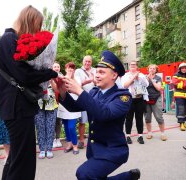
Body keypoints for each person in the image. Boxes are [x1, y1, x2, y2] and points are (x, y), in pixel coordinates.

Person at [55, 50, 140, 179]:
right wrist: (61, 90)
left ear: (114, 75)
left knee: (84, 174)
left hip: (113, 151)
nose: (97, 75)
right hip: (95, 149)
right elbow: (75, 107)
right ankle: (128, 177)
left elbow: (104, 114)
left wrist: (79, 90)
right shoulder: (95, 92)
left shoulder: (123, 96)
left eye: (102, 72)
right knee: (95, 177)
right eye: (96, 72)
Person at [0, 5, 58, 180]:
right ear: (29, 22)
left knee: (16, 158)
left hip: (16, 109)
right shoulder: (9, 40)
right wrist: (50, 73)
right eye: (36, 27)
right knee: (23, 163)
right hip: (17, 109)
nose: (37, 32)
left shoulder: (9, 40)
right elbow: (23, 74)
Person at [121, 61, 149, 144]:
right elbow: (125, 86)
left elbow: (146, 84)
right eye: (131, 64)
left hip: (139, 99)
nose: (132, 66)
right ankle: (128, 136)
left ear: (137, 66)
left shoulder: (141, 75)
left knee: (139, 118)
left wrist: (138, 78)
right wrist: (133, 78)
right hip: (129, 99)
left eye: (134, 65)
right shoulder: (125, 76)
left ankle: (140, 136)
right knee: (129, 118)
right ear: (129, 66)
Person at [57, 62, 81, 155]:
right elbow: (60, 90)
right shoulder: (62, 78)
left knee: (71, 127)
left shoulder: (77, 78)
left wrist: (71, 77)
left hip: (73, 105)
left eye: (72, 68)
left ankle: (75, 145)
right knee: (66, 127)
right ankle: (69, 144)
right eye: (68, 68)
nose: (70, 69)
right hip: (64, 105)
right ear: (65, 69)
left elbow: (76, 89)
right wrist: (66, 77)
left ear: (74, 70)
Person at [74, 55, 96, 149]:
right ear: (83, 61)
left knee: (94, 120)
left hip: (94, 98)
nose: (87, 63)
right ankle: (82, 140)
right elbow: (78, 84)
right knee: (82, 121)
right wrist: (89, 80)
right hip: (83, 98)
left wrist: (93, 80)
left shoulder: (95, 70)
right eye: (85, 61)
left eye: (89, 61)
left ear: (91, 62)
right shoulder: (78, 71)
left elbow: (98, 82)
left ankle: (94, 139)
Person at [35, 82, 58, 159]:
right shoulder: (36, 74)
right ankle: (42, 149)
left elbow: (57, 90)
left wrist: (51, 80)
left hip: (51, 103)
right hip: (38, 103)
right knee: (40, 127)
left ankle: (49, 149)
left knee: (50, 127)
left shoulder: (52, 76)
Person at [144, 64, 167, 141]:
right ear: (148, 69)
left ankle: (163, 133)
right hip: (146, 99)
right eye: (150, 68)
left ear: (156, 70)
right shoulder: (144, 77)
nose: (152, 70)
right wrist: (147, 80)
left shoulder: (158, 78)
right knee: (147, 117)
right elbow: (142, 87)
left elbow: (158, 88)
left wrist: (152, 80)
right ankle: (149, 133)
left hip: (156, 98)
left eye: (154, 69)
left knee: (159, 117)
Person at [171, 62, 186, 131]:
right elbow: (175, 83)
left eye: (185, 68)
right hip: (179, 94)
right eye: (182, 68)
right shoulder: (176, 74)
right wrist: (183, 84)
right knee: (181, 109)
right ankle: (181, 123)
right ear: (180, 69)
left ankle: (184, 121)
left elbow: (179, 84)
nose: (184, 69)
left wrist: (181, 82)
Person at [52, 62, 62, 148]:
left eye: (58, 67)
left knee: (58, 121)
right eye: (55, 67)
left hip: (61, 102)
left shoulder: (62, 77)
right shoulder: (49, 77)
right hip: (51, 102)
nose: (56, 68)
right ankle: (53, 139)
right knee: (52, 121)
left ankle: (58, 138)